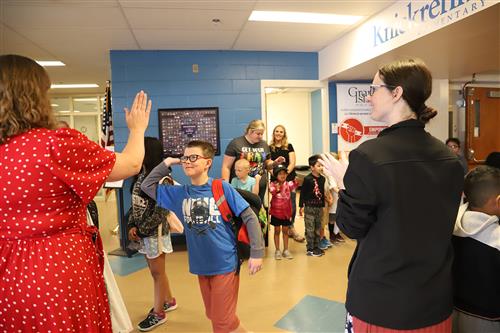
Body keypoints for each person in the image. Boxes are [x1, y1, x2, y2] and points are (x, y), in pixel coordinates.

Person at [0, 54, 151, 332]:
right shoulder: (54, 144)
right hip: (55, 267)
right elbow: (130, 163)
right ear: (33, 95)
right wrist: (137, 129)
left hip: (8, 270)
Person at [321, 59, 464, 332]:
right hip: (434, 303)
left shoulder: (368, 156)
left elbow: (351, 228)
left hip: (381, 306)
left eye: (374, 88)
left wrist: (343, 184)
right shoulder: (450, 159)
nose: (369, 96)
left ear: (396, 93)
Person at [140, 140, 264, 333]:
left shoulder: (221, 188)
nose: (187, 162)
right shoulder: (181, 193)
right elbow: (147, 186)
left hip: (225, 263)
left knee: (221, 324)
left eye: (193, 157)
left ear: (208, 163)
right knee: (217, 316)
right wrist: (167, 163)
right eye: (185, 157)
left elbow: (249, 216)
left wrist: (257, 252)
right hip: (201, 265)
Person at [127, 137, 177, 332]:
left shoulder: (164, 179)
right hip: (143, 232)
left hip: (154, 233)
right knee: (158, 272)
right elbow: (135, 204)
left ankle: (158, 313)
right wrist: (132, 224)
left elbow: (161, 211)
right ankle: (168, 301)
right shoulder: (141, 174)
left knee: (157, 273)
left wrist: (141, 229)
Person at [452, 166, 500, 332]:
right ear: (498, 201)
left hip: (452, 313)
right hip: (489, 320)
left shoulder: (450, 224)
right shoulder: (497, 239)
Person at [221, 119, 285, 202]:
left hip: (259, 187)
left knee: (256, 212)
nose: (260, 136)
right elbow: (226, 167)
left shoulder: (264, 144)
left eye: (262, 134)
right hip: (240, 188)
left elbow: (267, 164)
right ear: (250, 131)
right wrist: (226, 187)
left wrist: (275, 163)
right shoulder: (236, 143)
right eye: (258, 133)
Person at [269, 124, 304, 242]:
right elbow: (268, 164)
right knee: (278, 204)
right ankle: (279, 227)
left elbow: (292, 162)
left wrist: (284, 175)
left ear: (284, 134)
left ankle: (291, 227)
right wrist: (276, 175)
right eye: (277, 131)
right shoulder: (269, 148)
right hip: (275, 180)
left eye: (281, 132)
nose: (279, 133)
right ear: (273, 133)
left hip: (289, 178)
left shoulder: (289, 146)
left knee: (291, 204)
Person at [299, 155, 327, 257]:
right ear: (312, 167)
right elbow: (303, 193)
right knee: (310, 229)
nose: (321, 168)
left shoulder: (323, 179)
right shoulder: (307, 179)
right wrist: (301, 206)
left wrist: (323, 206)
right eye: (318, 165)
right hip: (309, 207)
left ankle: (316, 247)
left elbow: (322, 193)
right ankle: (310, 248)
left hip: (319, 208)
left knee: (317, 228)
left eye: (322, 166)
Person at [269, 164, 298, 260]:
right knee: (277, 231)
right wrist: (276, 189)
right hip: (276, 213)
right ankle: (277, 250)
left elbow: (295, 184)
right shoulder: (273, 184)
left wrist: (297, 180)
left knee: (285, 231)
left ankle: (286, 250)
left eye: (284, 173)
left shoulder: (288, 184)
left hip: (286, 213)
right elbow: (272, 191)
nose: (283, 175)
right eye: (280, 173)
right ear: (276, 175)